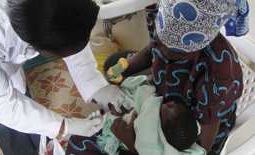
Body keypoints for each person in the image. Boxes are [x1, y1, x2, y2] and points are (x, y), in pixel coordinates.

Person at [0, 0, 130, 154]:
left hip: (4, 57)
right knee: (9, 126)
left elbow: (68, 28)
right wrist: (64, 126)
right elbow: (2, 105)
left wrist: (96, 86)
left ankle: (39, 142)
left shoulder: (48, 14)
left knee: (30, 114)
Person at [104, 0, 249, 154]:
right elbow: (151, 50)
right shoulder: (169, 26)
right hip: (166, 97)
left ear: (200, 46)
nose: (165, 53)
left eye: (177, 53)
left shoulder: (218, 75)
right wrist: (124, 68)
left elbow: (201, 148)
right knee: (112, 65)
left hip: (185, 129)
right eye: (163, 43)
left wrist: (134, 144)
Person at [65, 78, 204, 155]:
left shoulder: (150, 137)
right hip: (119, 132)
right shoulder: (153, 111)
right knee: (80, 137)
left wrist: (129, 140)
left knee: (78, 142)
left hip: (119, 141)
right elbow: (139, 105)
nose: (171, 102)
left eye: (170, 107)